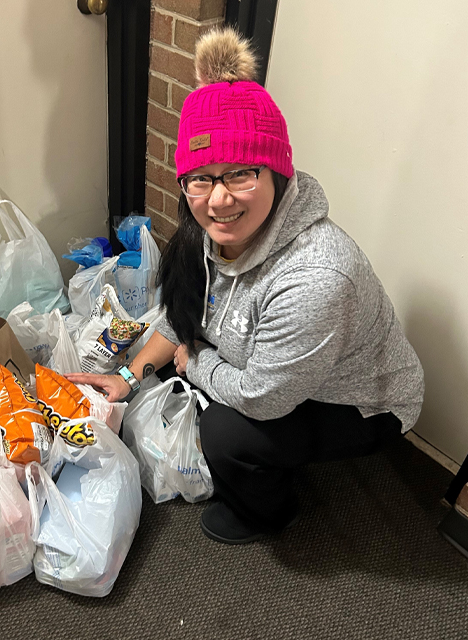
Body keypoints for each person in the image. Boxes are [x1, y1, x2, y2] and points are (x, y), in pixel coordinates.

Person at [66, 27, 424, 545]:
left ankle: (268, 513)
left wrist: (199, 363)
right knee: (190, 377)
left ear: (278, 172)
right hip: (276, 366)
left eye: (240, 173)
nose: (218, 200)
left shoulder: (316, 278)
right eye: (201, 178)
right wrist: (127, 375)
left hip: (364, 401)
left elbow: (261, 398)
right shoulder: (207, 234)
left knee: (228, 432)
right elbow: (182, 316)